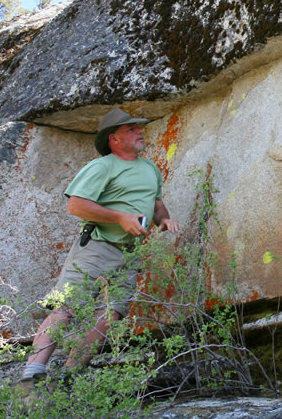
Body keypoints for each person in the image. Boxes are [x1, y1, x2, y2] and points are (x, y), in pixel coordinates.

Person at [18, 108, 180, 394]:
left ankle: (69, 377)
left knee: (109, 315)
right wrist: (120, 217)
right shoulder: (102, 167)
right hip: (96, 247)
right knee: (66, 308)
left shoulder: (150, 168)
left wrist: (163, 219)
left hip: (129, 254)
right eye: (130, 129)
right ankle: (31, 376)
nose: (139, 131)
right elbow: (76, 205)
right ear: (114, 139)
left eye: (138, 127)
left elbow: (155, 203)